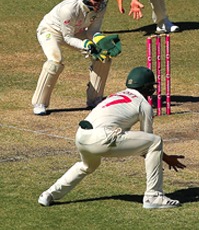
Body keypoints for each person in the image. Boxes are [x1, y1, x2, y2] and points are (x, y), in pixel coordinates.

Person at [38, 67, 186, 209]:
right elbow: (149, 143)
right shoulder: (144, 105)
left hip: (82, 136)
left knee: (87, 166)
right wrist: (166, 159)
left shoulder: (117, 94)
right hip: (102, 138)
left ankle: (48, 194)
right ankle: (153, 196)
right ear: (146, 87)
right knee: (155, 141)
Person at [32, 0, 118, 115]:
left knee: (103, 56)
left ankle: (95, 99)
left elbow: (92, 31)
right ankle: (39, 102)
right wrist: (86, 44)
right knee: (55, 62)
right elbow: (67, 37)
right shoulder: (69, 9)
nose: (99, 3)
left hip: (76, 32)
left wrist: (101, 41)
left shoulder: (101, 7)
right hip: (51, 31)